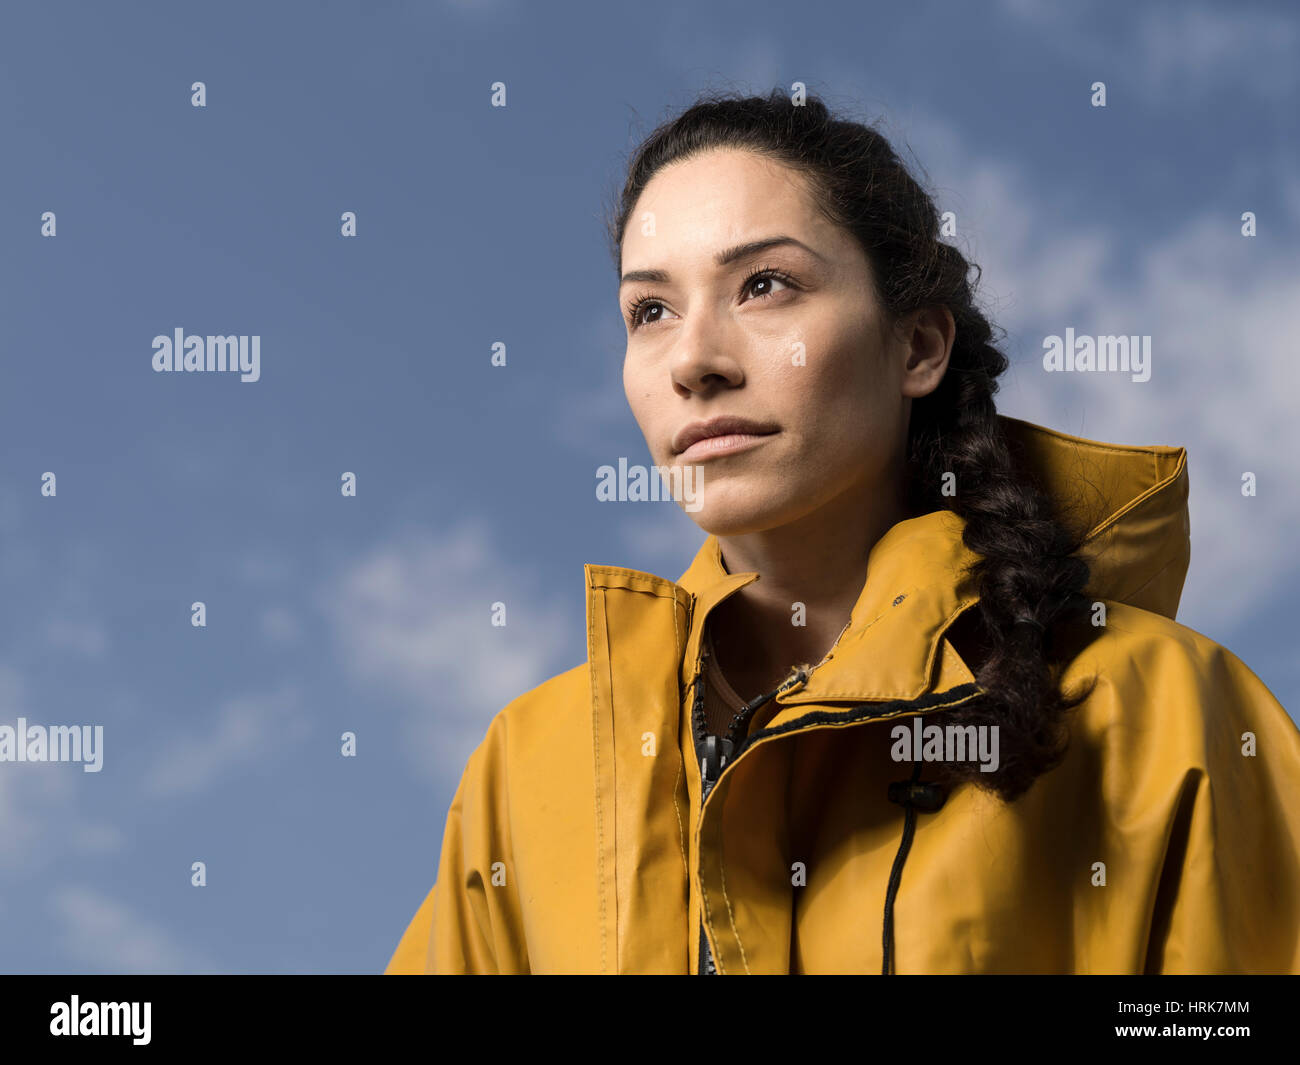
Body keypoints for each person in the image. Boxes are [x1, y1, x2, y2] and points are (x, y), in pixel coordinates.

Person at [384, 89, 1300, 974]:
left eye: (764, 285)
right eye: (650, 311)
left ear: (918, 348)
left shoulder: (1161, 708)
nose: (694, 362)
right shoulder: (530, 763)